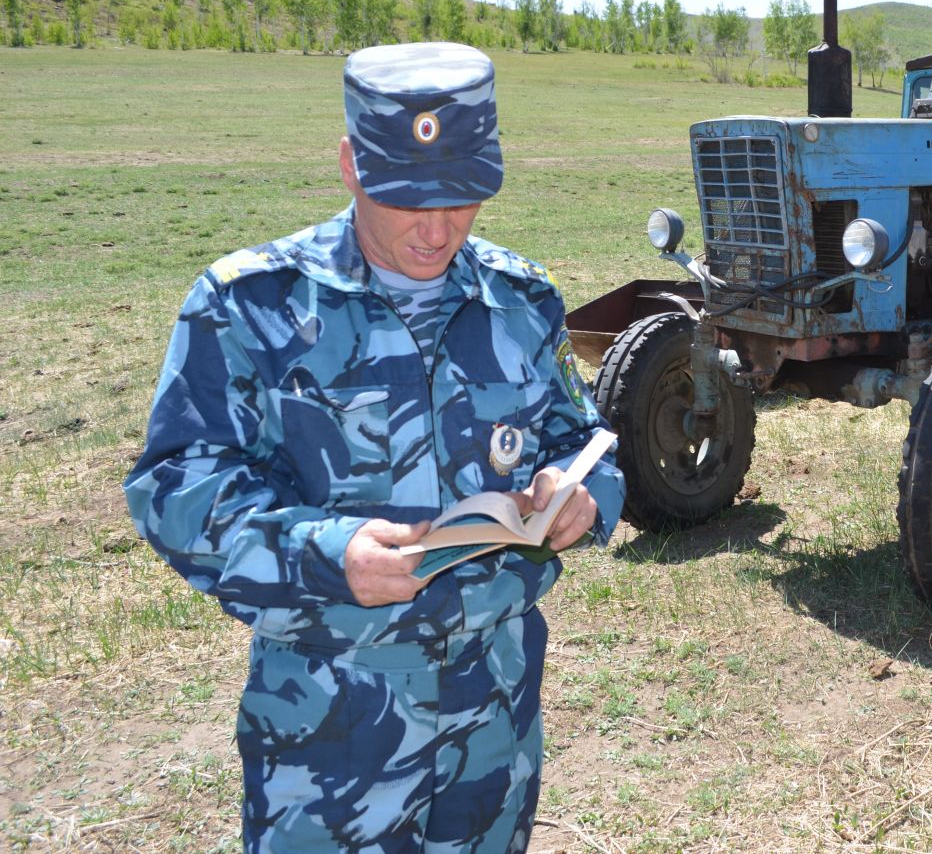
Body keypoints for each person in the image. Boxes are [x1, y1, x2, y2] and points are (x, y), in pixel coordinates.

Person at [124, 41, 623, 851]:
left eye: (461, 198)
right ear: (351, 166)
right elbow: (176, 485)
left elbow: (583, 436)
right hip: (329, 729)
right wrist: (327, 552)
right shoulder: (250, 306)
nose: (437, 228)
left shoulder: (522, 302)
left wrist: (582, 492)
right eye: (407, 199)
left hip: (493, 718)